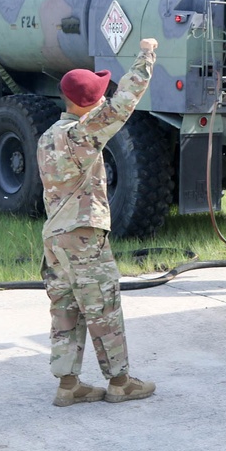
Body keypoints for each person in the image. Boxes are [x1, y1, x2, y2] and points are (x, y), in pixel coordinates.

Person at [37, 38, 158, 407]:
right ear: (91, 102)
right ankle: (120, 381)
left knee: (65, 310)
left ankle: (68, 384)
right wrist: (147, 55)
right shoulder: (83, 135)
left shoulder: (49, 137)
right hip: (83, 236)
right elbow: (124, 102)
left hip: (55, 238)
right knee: (102, 307)